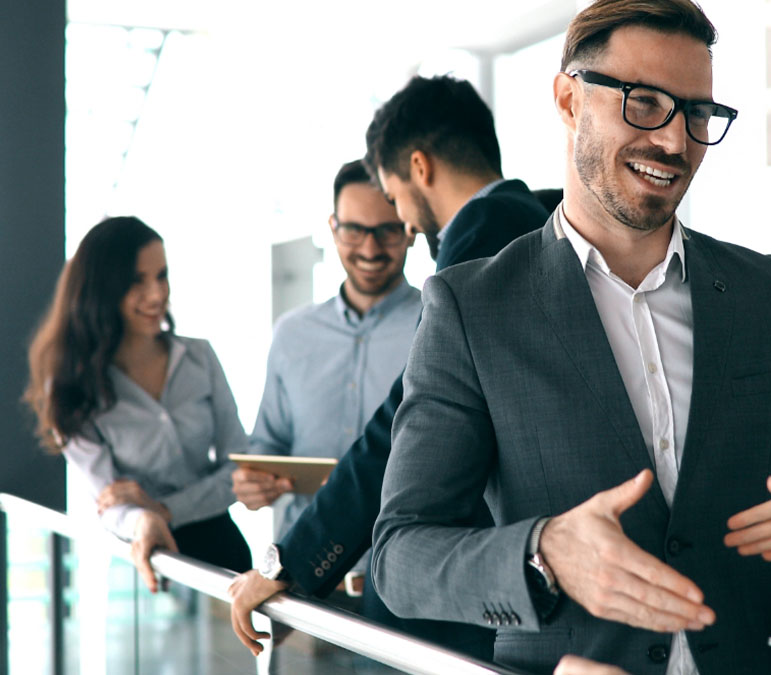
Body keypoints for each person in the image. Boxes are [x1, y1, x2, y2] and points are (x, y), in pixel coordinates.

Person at [370, 1, 771, 673]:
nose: (674, 142)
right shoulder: (471, 308)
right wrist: (545, 554)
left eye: (696, 113)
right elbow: (402, 555)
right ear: (568, 98)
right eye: (645, 102)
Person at [227, 75, 549, 660]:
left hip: (461, 594)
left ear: (419, 167)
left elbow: (408, 425)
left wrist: (290, 560)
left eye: (394, 201)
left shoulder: (484, 242)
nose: (402, 223)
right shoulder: (532, 221)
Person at [24, 216, 252, 592]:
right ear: (101, 290)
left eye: (161, 276)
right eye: (136, 281)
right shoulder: (72, 389)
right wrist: (144, 519)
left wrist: (161, 508)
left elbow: (239, 471)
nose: (156, 294)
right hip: (142, 563)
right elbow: (109, 504)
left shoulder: (200, 357)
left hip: (224, 558)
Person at [231, 159, 419, 590]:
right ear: (333, 228)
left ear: (409, 229)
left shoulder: (437, 324)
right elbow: (267, 443)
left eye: (387, 231)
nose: (370, 250)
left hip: (397, 585)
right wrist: (252, 484)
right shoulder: (292, 334)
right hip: (299, 583)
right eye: (354, 230)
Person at [367, 74, 551, 270]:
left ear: (420, 167)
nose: (408, 227)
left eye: (393, 198)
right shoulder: (533, 213)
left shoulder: (472, 244)